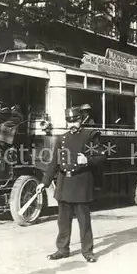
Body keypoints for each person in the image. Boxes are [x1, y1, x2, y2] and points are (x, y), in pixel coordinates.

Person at [36, 106, 106, 263]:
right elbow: (54, 163)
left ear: (81, 120)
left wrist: (88, 159)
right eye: (69, 121)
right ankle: (62, 249)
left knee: (84, 221)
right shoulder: (62, 138)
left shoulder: (89, 136)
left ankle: (88, 252)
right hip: (64, 183)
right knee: (63, 220)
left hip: (81, 184)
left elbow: (102, 156)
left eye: (75, 120)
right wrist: (44, 183)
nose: (72, 124)